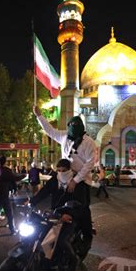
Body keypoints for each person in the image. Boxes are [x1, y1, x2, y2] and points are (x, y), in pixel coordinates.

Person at [33, 105, 96, 251]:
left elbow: (90, 163)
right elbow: (50, 131)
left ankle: (87, 237)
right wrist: (39, 116)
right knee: (53, 195)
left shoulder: (89, 143)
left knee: (83, 208)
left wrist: (76, 180)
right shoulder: (64, 136)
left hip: (80, 179)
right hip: (64, 172)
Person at [29, 159, 88, 271]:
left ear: (70, 170)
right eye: (59, 170)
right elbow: (43, 192)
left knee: (61, 240)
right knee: (40, 233)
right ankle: (45, 258)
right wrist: (31, 202)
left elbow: (82, 203)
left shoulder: (77, 183)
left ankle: (73, 260)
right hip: (54, 214)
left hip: (70, 217)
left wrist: (69, 214)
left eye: (64, 170)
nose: (61, 173)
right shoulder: (55, 180)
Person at [0, 156, 26, 236]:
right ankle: (12, 230)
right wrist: (23, 176)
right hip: (4, 196)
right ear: (5, 162)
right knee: (9, 214)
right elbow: (14, 178)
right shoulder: (6, 170)